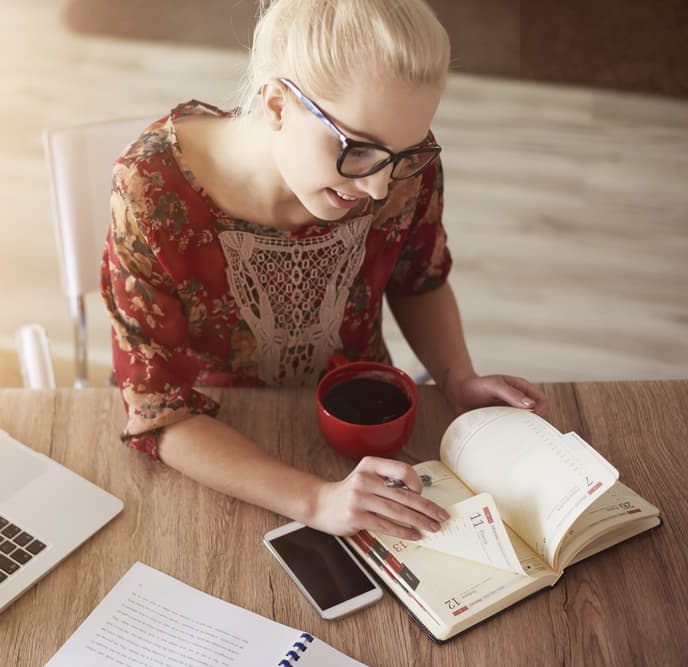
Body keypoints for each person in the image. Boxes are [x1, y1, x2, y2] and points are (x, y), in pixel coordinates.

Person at [100, 0, 548, 541]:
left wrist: (457, 379)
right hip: (215, 447)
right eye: (356, 150)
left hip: (363, 419)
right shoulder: (150, 188)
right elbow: (158, 410)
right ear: (277, 105)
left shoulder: (400, 167)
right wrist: (317, 500)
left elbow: (417, 278)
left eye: (407, 153)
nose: (380, 189)